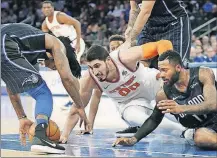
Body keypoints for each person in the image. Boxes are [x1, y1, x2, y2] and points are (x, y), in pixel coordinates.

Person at [59, 40, 186, 143]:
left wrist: (164, 68)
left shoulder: (123, 57)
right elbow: (77, 108)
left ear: (108, 60)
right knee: (135, 118)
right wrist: (64, 135)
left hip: (150, 84)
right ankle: (184, 131)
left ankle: (194, 119)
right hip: (129, 103)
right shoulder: (90, 78)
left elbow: (163, 44)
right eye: (91, 68)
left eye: (97, 66)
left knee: (170, 105)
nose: (95, 72)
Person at [1, 23, 90, 153]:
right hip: (4, 42)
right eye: (56, 66)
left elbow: (12, 85)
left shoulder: (28, 51)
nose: (55, 68)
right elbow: (67, 78)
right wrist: (80, 106)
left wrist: (22, 117)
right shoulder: (57, 43)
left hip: (5, 42)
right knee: (43, 94)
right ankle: (40, 137)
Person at [113, 50, 217, 150]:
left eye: (165, 70)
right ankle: (190, 134)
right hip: (204, 130)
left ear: (178, 68)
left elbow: (213, 104)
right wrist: (133, 140)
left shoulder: (202, 74)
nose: (161, 74)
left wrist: (182, 108)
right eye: (160, 70)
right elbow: (154, 119)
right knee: (200, 137)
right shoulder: (163, 94)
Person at [41, 0, 86, 109]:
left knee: (72, 71)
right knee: (66, 73)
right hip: (64, 47)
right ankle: (74, 98)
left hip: (75, 42)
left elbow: (77, 23)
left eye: (48, 7)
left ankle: (74, 101)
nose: (47, 9)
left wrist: (79, 41)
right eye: (44, 8)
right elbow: (46, 40)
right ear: (42, 10)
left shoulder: (59, 16)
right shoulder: (45, 24)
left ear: (53, 8)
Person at [126, 0, 191, 68]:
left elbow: (145, 12)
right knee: (139, 63)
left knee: (173, 67)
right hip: (151, 26)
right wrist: (130, 28)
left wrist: (130, 39)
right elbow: (134, 10)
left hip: (173, 24)